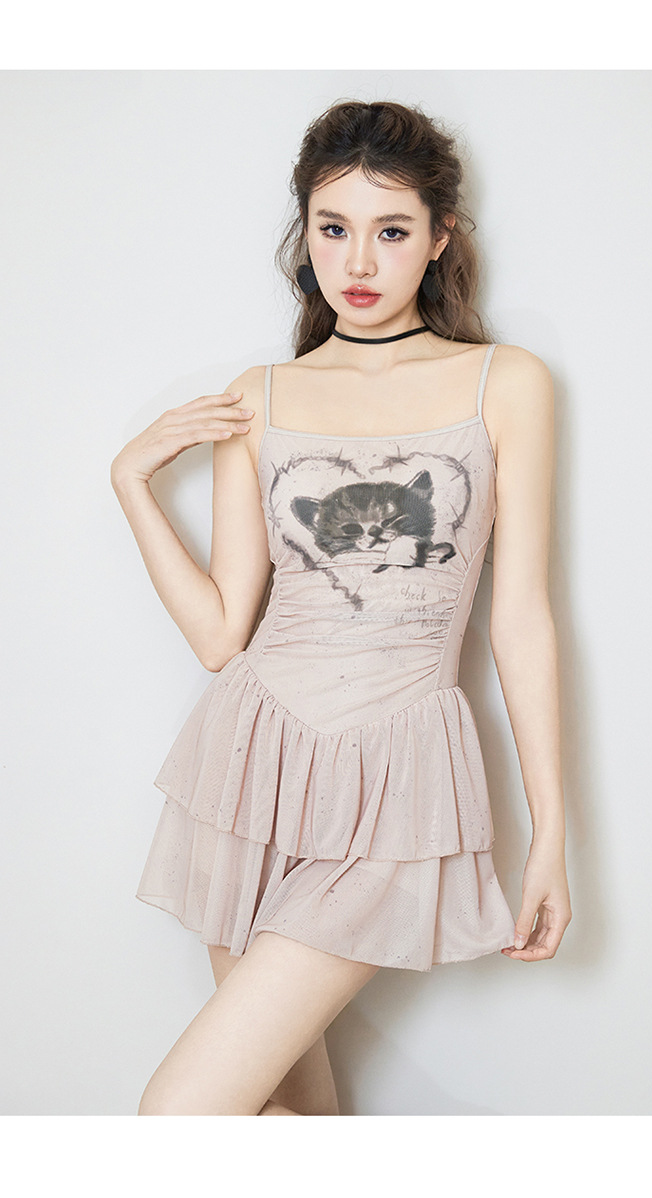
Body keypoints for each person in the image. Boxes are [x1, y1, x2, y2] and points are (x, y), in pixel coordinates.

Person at [111, 99, 572, 1117]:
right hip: (250, 768)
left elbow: (522, 619)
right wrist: (131, 483)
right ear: (306, 232)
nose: (358, 261)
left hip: (400, 774)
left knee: (177, 1117)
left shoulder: (505, 382)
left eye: (392, 230)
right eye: (333, 227)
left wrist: (549, 832)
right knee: (294, 1117)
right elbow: (221, 635)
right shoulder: (261, 396)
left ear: (441, 236)